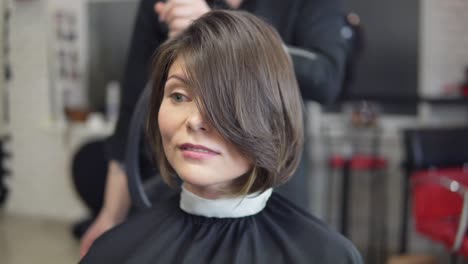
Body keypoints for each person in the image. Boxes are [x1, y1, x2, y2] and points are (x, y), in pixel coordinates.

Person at [80, 10, 361, 263]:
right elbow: (130, 105)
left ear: (273, 118)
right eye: (178, 96)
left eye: (223, 99)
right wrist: (111, 213)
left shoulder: (326, 256)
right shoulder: (114, 253)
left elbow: (326, 76)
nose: (194, 120)